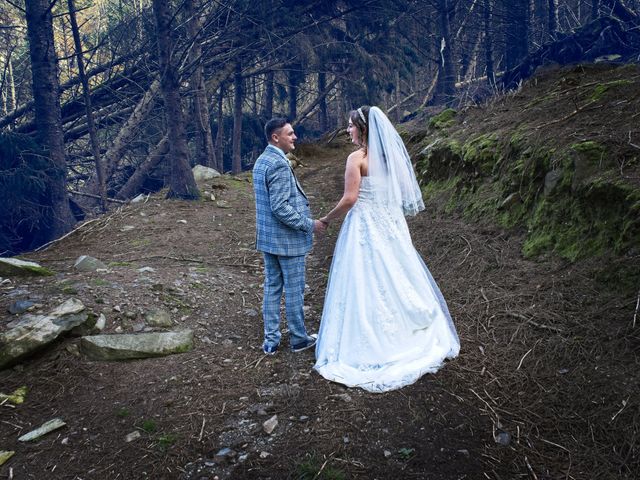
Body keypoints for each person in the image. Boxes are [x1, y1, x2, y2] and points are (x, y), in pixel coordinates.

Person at [313, 106, 460, 392]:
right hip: (390, 224)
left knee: (366, 278)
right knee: (396, 273)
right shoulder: (389, 158)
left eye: (351, 126)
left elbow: (350, 198)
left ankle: (372, 338)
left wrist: (326, 219)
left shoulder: (356, 159)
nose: (348, 130)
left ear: (364, 129)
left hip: (365, 225)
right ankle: (409, 326)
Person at [253, 117, 326, 355]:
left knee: (272, 288)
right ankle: (298, 339)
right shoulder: (279, 164)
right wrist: (309, 224)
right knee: (294, 290)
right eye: (290, 133)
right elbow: (280, 207)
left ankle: (271, 341)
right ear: (276, 137)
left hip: (268, 239)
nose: (295, 137)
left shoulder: (261, 160)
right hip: (287, 240)